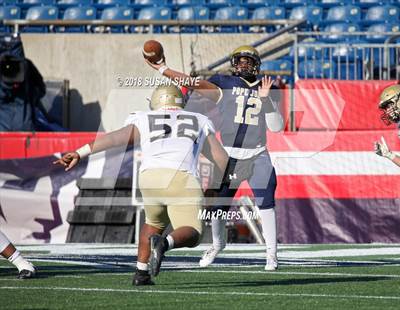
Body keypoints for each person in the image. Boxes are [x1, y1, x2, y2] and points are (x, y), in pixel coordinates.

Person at [54, 85, 228, 285]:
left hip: (149, 178)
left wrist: (79, 152)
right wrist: (215, 187)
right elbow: (222, 159)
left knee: (154, 222)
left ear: (155, 101)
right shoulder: (198, 119)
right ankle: (165, 243)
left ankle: (141, 273)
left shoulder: (144, 118)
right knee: (193, 233)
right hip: (181, 178)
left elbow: (113, 139)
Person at [145, 45, 283, 271]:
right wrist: (163, 70)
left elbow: (276, 127)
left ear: (256, 65)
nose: (244, 64)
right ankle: (218, 244)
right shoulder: (225, 84)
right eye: (240, 60)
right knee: (219, 205)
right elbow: (194, 83)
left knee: (266, 203)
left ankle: (271, 254)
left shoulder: (268, 87)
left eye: (248, 60)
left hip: (258, 154)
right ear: (233, 63)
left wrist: (266, 100)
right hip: (228, 156)